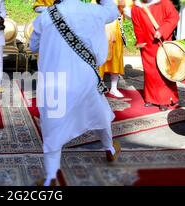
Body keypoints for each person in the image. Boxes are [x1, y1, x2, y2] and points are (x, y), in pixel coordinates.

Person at [30, 0, 121, 186]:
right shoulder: (95, 11)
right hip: (86, 78)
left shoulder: (46, 16)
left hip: (55, 81)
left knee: (52, 126)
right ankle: (110, 149)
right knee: (99, 112)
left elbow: (33, 47)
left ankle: (50, 178)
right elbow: (113, 11)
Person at [131, 0, 180, 111]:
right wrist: (140, 40)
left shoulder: (164, 2)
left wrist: (162, 30)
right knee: (149, 71)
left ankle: (165, 99)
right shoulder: (136, 7)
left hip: (161, 42)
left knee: (163, 71)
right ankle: (151, 98)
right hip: (147, 45)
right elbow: (137, 25)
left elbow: (174, 17)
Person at [99, 0, 126, 98]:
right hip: (103, 31)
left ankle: (114, 88)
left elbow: (124, 8)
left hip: (116, 31)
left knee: (116, 60)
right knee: (100, 60)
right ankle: (99, 87)